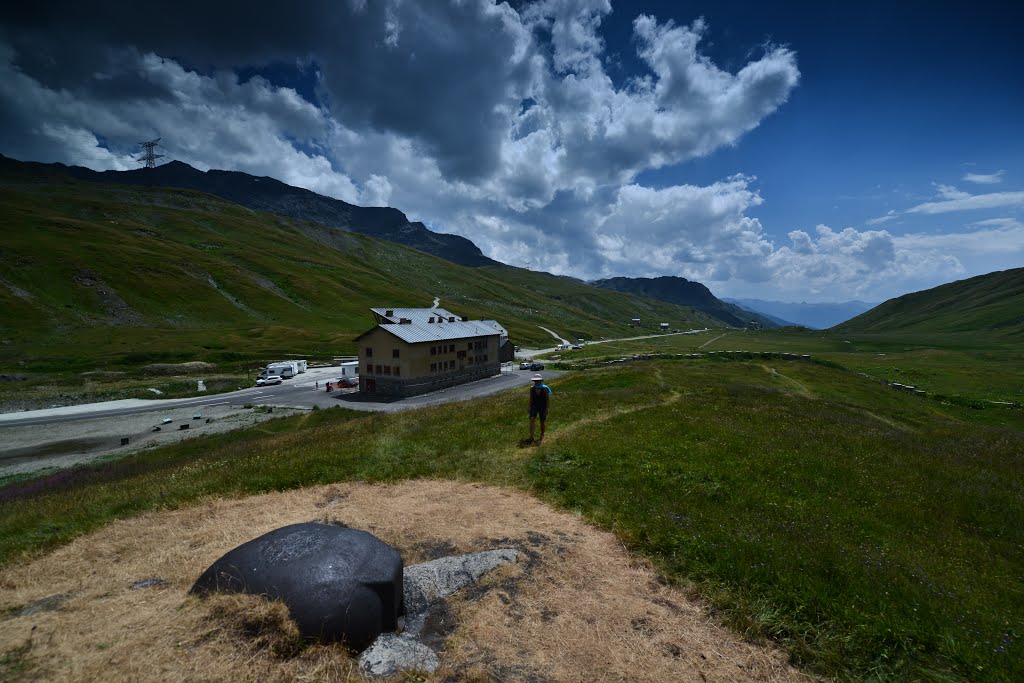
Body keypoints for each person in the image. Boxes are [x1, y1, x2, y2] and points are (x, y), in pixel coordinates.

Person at [528, 374, 553, 444]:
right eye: (535, 381)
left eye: (538, 381)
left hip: (543, 406)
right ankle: (531, 436)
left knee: (542, 421)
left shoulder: (545, 388)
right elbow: (531, 398)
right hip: (534, 406)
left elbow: (547, 400)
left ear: (540, 381)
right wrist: (529, 406)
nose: (537, 382)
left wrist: (547, 408)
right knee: (532, 419)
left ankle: (542, 435)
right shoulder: (532, 388)